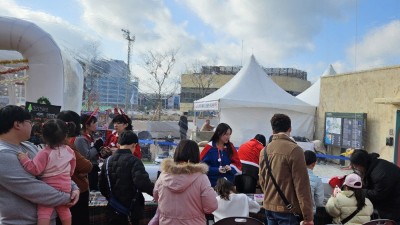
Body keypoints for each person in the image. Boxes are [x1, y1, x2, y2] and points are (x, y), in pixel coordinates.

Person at [0, 105, 79, 225]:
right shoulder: (3, 154)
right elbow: (34, 189)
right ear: (17, 124)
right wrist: (68, 196)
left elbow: (54, 170)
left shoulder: (28, 146)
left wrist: (73, 187)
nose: (31, 125)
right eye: (29, 122)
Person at [17, 119, 77, 225]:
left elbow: (35, 169)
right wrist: (69, 175)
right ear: (65, 135)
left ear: (44, 136)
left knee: (44, 210)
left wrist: (24, 159)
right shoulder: (69, 150)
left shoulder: (44, 153)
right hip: (66, 185)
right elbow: (72, 166)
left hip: (49, 187)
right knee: (64, 209)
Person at [259, 113, 313, 225]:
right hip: (288, 210)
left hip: (269, 206)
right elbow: (302, 185)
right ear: (290, 129)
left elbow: (262, 180)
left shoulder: (264, 150)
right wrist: (308, 216)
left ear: (273, 130)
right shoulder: (295, 150)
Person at [152, 139, 218, 225]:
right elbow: (211, 207)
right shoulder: (201, 178)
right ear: (196, 155)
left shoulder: (163, 176)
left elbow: (156, 197)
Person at [99, 130, 154, 225]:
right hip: (131, 209)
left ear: (119, 144)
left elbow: (102, 186)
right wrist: (157, 193)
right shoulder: (134, 161)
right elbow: (143, 184)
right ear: (134, 145)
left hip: (112, 208)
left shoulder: (107, 161)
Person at [57, 110, 93, 225]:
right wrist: (80, 171)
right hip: (75, 192)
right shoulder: (67, 146)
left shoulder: (52, 143)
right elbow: (86, 166)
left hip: (60, 191)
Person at [350, 150, 400, 222]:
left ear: (360, 164)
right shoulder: (373, 164)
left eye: (356, 167)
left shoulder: (380, 174)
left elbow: (377, 195)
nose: (356, 169)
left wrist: (359, 191)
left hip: (395, 205)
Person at [200, 123, 242, 187]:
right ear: (219, 133)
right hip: (212, 184)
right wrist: (217, 170)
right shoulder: (209, 147)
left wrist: (230, 167)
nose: (228, 137)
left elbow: (237, 164)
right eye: (226, 134)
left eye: (229, 134)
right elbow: (202, 166)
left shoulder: (230, 147)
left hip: (228, 185)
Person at [74, 113, 103, 191]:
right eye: (93, 123)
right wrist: (96, 147)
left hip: (93, 168)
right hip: (88, 171)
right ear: (86, 125)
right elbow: (86, 156)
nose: (95, 124)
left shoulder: (89, 137)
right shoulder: (80, 139)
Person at [304, 150, 324, 216]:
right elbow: (319, 203)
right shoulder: (317, 181)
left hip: (292, 212)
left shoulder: (293, 176)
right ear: (314, 164)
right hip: (309, 214)